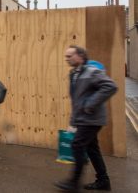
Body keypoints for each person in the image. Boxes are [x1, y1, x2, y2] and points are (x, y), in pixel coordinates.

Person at [54, 45, 117, 192]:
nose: (66, 59)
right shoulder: (73, 74)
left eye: (70, 56)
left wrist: (90, 104)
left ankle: (73, 183)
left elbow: (110, 86)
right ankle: (103, 181)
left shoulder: (92, 71)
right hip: (83, 119)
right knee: (92, 149)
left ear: (80, 56)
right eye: (66, 56)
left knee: (77, 145)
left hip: (92, 119)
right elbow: (77, 101)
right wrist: (73, 122)